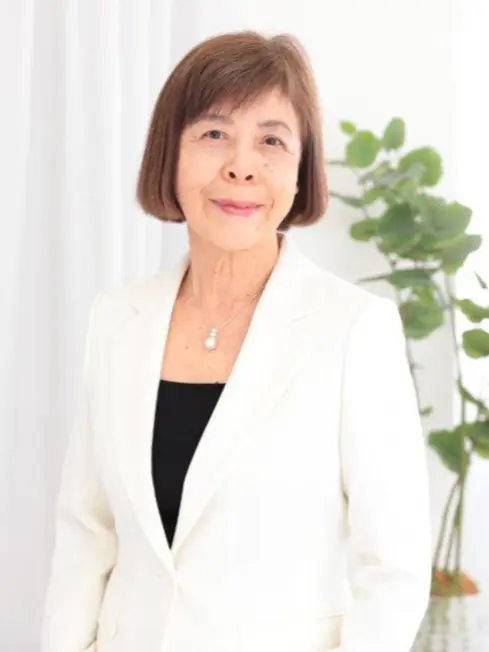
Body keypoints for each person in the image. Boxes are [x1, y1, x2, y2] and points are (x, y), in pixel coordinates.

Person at [41, 30, 432, 652]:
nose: (242, 165)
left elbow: (395, 570)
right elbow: (87, 534)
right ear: (169, 155)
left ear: (300, 171)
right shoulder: (116, 319)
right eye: (214, 133)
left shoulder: (354, 329)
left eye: (272, 140)